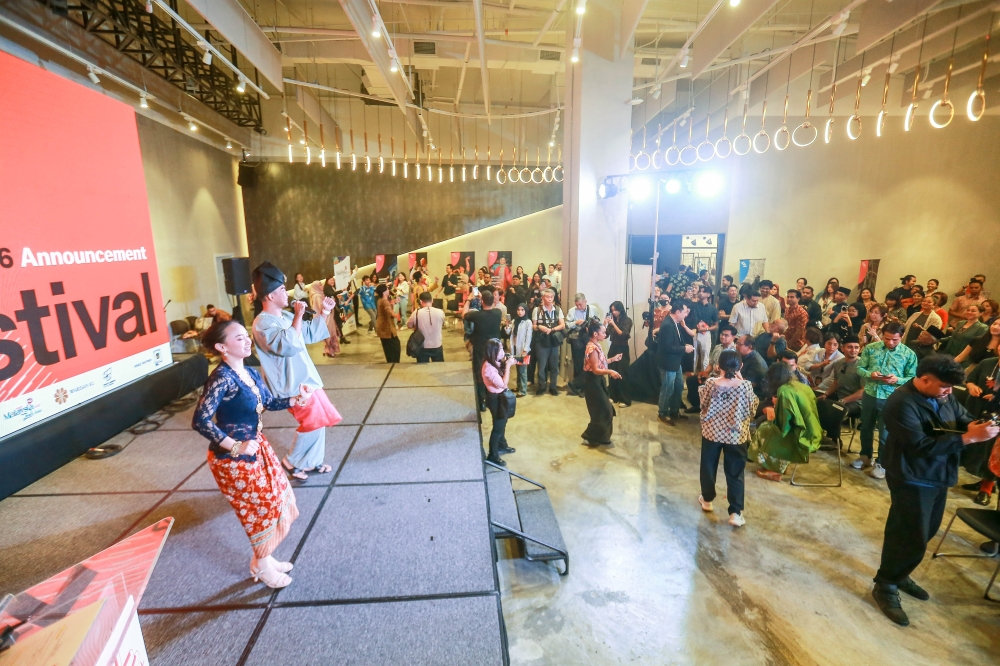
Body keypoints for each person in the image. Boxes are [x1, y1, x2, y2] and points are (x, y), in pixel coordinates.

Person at [871, 355, 999, 627]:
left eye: (951, 387)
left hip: (939, 473)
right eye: (944, 386)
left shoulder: (944, 394)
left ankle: (900, 573)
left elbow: (962, 417)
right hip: (911, 475)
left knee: (927, 530)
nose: (949, 392)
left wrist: (979, 425)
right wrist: (968, 438)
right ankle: (886, 583)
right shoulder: (901, 402)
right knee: (907, 532)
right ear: (925, 379)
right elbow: (920, 445)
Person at [192, 319, 312, 589]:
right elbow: (200, 420)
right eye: (239, 338)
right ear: (222, 347)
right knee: (261, 509)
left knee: (279, 498)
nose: (247, 340)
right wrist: (235, 446)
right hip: (232, 459)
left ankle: (263, 559)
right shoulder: (222, 378)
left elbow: (267, 402)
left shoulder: (250, 373)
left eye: (246, 336)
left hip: (257, 448)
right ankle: (262, 564)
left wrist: (296, 398)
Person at [251, 262, 341, 482]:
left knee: (320, 419)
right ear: (270, 295)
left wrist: (325, 311)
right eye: (282, 289)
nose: (287, 292)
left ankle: (312, 461)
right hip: (291, 384)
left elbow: (309, 334)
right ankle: (292, 461)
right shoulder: (262, 323)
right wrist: (298, 316)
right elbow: (287, 345)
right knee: (312, 420)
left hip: (306, 378)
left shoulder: (284, 315)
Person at [698, 349, 758, 527]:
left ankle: (707, 500)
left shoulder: (711, 383)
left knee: (708, 466)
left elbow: (703, 403)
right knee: (735, 472)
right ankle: (735, 513)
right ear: (741, 366)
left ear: (718, 366)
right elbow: (752, 409)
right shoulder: (745, 386)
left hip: (712, 432)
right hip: (736, 435)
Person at [854, 322, 918, 478]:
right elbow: (859, 368)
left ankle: (882, 463)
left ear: (902, 336)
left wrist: (897, 379)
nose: (890, 342)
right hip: (870, 393)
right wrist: (870, 374)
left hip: (892, 397)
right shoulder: (871, 348)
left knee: (885, 432)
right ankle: (865, 455)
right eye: (887, 338)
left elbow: (913, 378)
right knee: (866, 427)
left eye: (895, 340)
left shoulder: (909, 354)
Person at [750, 361, 823, 481]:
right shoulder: (802, 386)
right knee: (766, 426)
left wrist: (771, 411)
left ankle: (775, 470)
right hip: (812, 428)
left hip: (801, 433)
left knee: (766, 429)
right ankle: (779, 465)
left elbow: (783, 424)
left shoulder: (783, 391)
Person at [962, 356, 1000, 505]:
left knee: (991, 451)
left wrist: (997, 397)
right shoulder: (987, 362)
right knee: (974, 448)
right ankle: (981, 478)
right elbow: (970, 379)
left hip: (997, 416)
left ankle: (986, 488)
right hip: (977, 408)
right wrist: (971, 386)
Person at [580, 319, 622, 446]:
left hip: (598, 381)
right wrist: (610, 371)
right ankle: (593, 436)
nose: (605, 334)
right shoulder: (592, 348)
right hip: (593, 382)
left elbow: (601, 363)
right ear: (595, 334)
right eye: (603, 332)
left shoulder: (597, 345)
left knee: (604, 410)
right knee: (603, 410)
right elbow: (596, 370)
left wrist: (613, 359)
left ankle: (598, 437)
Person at [816, 335, 864, 438]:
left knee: (835, 410)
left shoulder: (863, 366)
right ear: (842, 348)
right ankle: (818, 435)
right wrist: (826, 394)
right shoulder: (838, 363)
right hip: (839, 397)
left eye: (856, 347)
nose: (853, 350)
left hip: (856, 403)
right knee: (818, 403)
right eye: (850, 347)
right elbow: (836, 382)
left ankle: (834, 441)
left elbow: (863, 391)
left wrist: (844, 400)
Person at [464, 288, 504, 408]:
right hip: (494, 350)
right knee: (494, 372)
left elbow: (464, 314)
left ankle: (481, 401)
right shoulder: (498, 313)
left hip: (480, 349)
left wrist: (468, 299)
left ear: (482, 302)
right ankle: (492, 398)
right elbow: (492, 305)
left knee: (480, 374)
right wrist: (486, 299)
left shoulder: (477, 315)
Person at [656, 301, 693, 426]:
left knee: (678, 386)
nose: (686, 315)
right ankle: (662, 413)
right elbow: (667, 347)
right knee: (667, 388)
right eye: (685, 312)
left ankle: (674, 411)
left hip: (675, 361)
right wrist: (684, 349)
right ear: (678, 312)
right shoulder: (667, 325)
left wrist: (683, 345)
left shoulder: (674, 322)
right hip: (668, 362)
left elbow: (674, 342)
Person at [481, 339, 517, 465]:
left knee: (503, 422)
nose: (503, 351)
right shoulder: (489, 369)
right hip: (495, 400)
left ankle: (502, 445)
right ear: (493, 352)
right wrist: (508, 366)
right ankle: (493, 455)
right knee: (498, 427)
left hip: (499, 397)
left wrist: (506, 362)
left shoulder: (493, 362)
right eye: (500, 349)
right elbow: (503, 384)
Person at [531, 289, 566, 396]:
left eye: (551, 297)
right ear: (542, 298)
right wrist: (539, 327)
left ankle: (553, 386)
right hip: (541, 341)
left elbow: (562, 325)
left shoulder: (557, 309)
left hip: (554, 341)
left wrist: (552, 329)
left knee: (554, 365)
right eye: (547, 297)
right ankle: (542, 385)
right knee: (541, 365)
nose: (550, 299)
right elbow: (533, 326)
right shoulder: (537, 310)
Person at [565, 293, 600, 397]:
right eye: (577, 305)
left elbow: (598, 322)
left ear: (585, 301)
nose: (578, 307)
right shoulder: (572, 311)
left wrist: (592, 325)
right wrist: (575, 322)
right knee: (578, 363)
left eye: (580, 304)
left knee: (590, 363)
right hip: (576, 340)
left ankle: (585, 387)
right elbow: (567, 324)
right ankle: (577, 387)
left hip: (589, 339)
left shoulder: (593, 309)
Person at [604, 301, 633, 407]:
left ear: (621, 310)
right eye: (612, 310)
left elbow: (623, 334)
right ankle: (613, 396)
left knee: (622, 373)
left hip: (622, 348)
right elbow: (605, 335)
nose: (614, 312)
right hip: (613, 348)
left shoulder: (627, 320)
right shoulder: (612, 320)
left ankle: (624, 399)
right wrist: (604, 324)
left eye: (616, 310)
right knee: (612, 372)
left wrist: (613, 324)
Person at [407, 291, 445, 363]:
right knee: (439, 367)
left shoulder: (416, 312)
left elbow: (409, 325)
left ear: (420, 301)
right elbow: (442, 323)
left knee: (423, 368)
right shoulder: (440, 312)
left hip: (422, 346)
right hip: (437, 345)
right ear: (432, 300)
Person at [690, 285, 720, 372]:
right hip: (693, 332)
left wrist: (706, 329)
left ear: (708, 294)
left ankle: (704, 376)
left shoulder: (712, 308)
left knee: (705, 357)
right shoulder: (693, 305)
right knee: (693, 356)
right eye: (700, 291)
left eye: (703, 291)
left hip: (706, 333)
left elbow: (716, 325)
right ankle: (692, 375)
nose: (700, 293)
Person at [507, 304, 533, 396]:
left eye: (522, 310)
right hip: (515, 348)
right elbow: (508, 332)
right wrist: (507, 325)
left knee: (522, 370)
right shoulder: (514, 320)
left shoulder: (528, 322)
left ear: (525, 311)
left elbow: (528, 337)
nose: (520, 312)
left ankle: (523, 390)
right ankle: (519, 386)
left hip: (523, 349)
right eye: (518, 310)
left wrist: (525, 350)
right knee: (517, 369)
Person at [736, 334, 768, 401]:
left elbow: (748, 384)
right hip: (741, 389)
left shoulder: (756, 362)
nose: (736, 346)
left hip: (753, 395)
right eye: (737, 343)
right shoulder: (743, 355)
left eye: (740, 344)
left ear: (749, 347)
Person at [375, 284, 400, 363]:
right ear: (384, 292)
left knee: (387, 347)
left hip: (382, 327)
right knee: (395, 347)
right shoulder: (384, 301)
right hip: (387, 328)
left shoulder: (380, 300)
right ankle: (394, 363)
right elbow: (387, 309)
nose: (388, 290)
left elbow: (387, 307)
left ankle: (390, 363)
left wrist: (394, 302)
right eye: (387, 289)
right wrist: (394, 315)